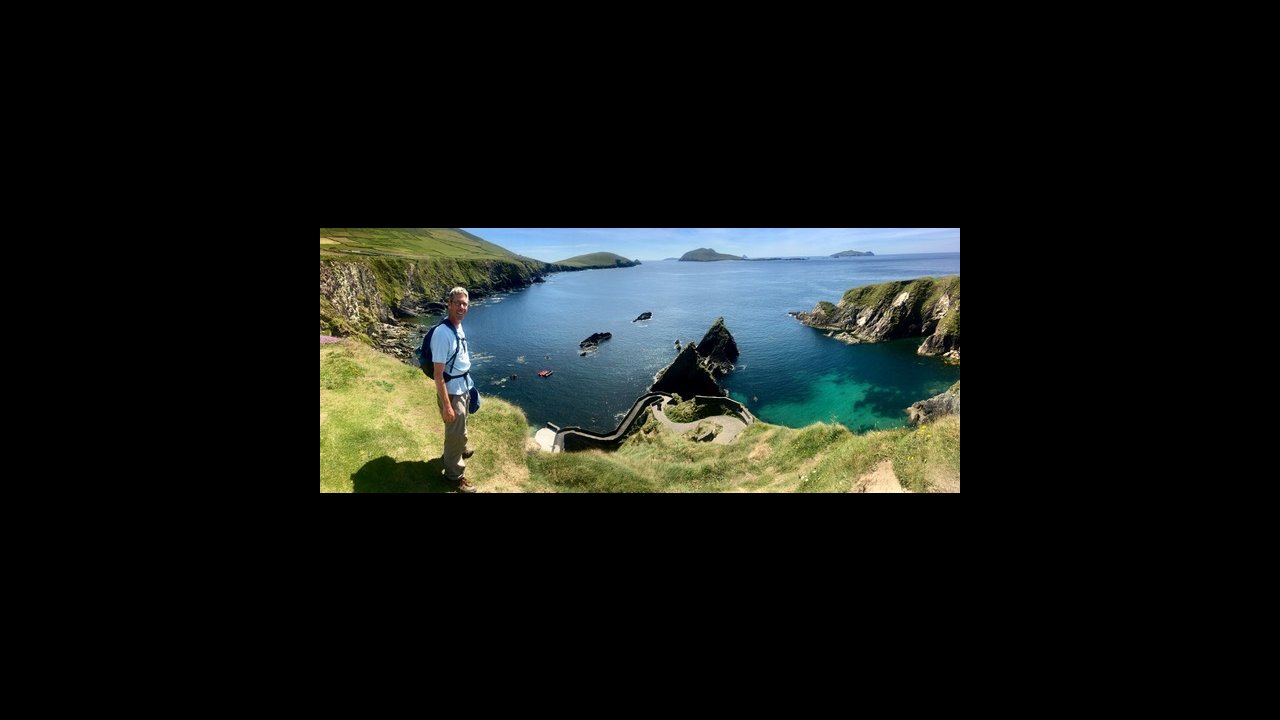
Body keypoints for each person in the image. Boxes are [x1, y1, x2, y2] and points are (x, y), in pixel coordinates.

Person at [432, 287, 477, 492]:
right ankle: (454, 476)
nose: (462, 307)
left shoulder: (457, 326)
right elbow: (438, 374)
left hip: (463, 385)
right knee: (454, 432)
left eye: (465, 304)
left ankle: (459, 450)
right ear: (449, 304)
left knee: (461, 425)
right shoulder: (442, 333)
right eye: (457, 303)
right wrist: (447, 406)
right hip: (452, 390)